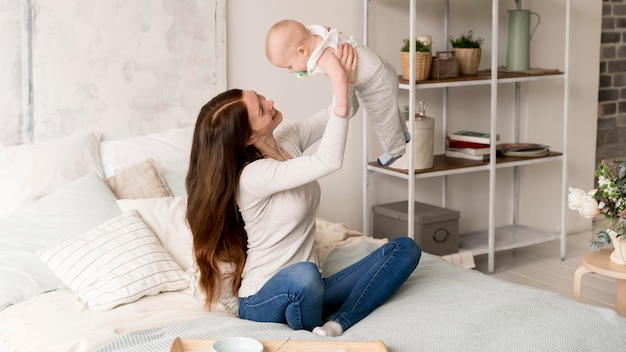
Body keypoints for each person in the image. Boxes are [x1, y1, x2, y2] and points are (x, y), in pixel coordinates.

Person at [186, 43, 421, 338]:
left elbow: (343, 111)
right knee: (304, 276)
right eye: (261, 109)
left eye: (260, 96)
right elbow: (329, 160)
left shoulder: (287, 140)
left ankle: (338, 323)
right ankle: (313, 328)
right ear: (247, 138)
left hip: (312, 287)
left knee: (404, 249)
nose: (270, 102)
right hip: (263, 298)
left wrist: (347, 77)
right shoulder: (253, 176)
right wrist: (338, 82)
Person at [265, 19, 410, 167]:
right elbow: (327, 28)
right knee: (390, 111)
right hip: (381, 71)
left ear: (302, 51)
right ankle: (403, 134)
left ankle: (395, 150)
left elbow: (340, 76)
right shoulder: (318, 34)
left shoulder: (323, 57)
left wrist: (341, 105)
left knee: (382, 118)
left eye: (290, 66)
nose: (291, 71)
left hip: (376, 83)